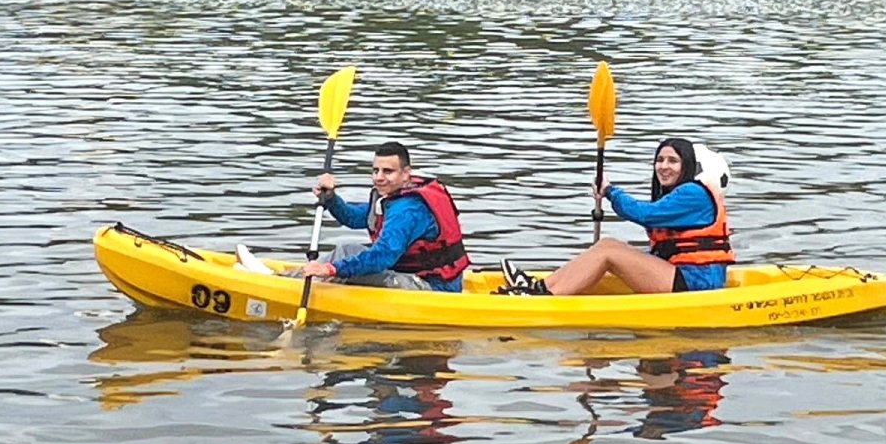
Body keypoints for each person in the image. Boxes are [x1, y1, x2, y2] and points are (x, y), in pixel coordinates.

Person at [499, 138, 733, 296]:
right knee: (608, 245)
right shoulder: (679, 194)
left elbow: (644, 214)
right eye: (660, 160)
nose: (664, 166)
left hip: (698, 284)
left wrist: (610, 191)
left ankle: (543, 297)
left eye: (673, 161)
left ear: (687, 166)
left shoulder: (693, 193)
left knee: (609, 253)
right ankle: (539, 286)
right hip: (684, 275)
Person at [296, 141, 470, 292]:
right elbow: (354, 217)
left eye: (387, 171)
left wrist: (331, 269)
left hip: (432, 287)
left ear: (406, 173)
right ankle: (297, 278)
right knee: (347, 251)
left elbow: (383, 256)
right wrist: (331, 199)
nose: (379, 177)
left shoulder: (408, 210)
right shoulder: (392, 198)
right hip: (410, 274)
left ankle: (298, 283)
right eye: (375, 170)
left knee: (344, 267)